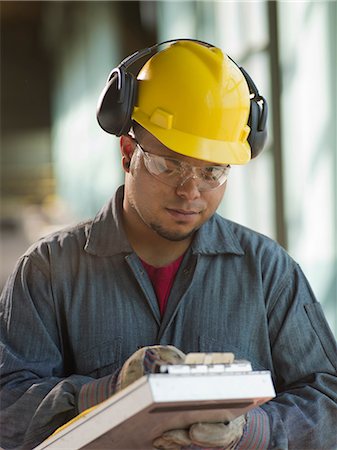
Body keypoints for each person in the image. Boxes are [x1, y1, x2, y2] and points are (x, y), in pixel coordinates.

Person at [0, 39, 336, 450]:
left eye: (213, 171)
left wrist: (249, 433)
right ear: (127, 153)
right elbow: (7, 407)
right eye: (168, 163)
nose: (190, 191)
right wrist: (105, 395)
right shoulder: (47, 271)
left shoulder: (269, 272)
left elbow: (328, 402)